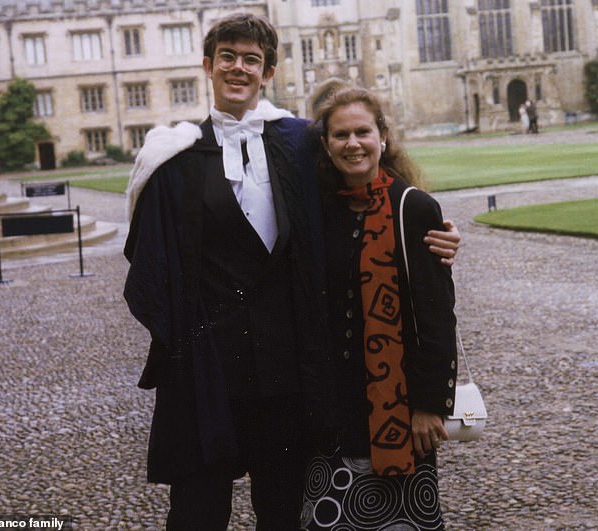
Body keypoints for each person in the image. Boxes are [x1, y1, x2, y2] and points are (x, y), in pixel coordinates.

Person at [123, 13, 460, 530]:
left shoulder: (299, 144)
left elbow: (363, 196)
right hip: (206, 371)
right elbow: (148, 266)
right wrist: (185, 339)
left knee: (282, 512)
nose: (239, 68)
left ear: (269, 72)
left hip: (285, 375)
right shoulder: (172, 156)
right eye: (228, 57)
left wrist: (427, 231)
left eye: (251, 59)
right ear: (208, 66)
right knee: (196, 511)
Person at [300, 88, 457, 530]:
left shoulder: (414, 207)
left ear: (383, 137)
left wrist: (430, 404)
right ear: (326, 145)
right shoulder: (318, 213)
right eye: (340, 134)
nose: (353, 143)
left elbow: (437, 316)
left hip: (399, 407)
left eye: (363, 132)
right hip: (333, 408)